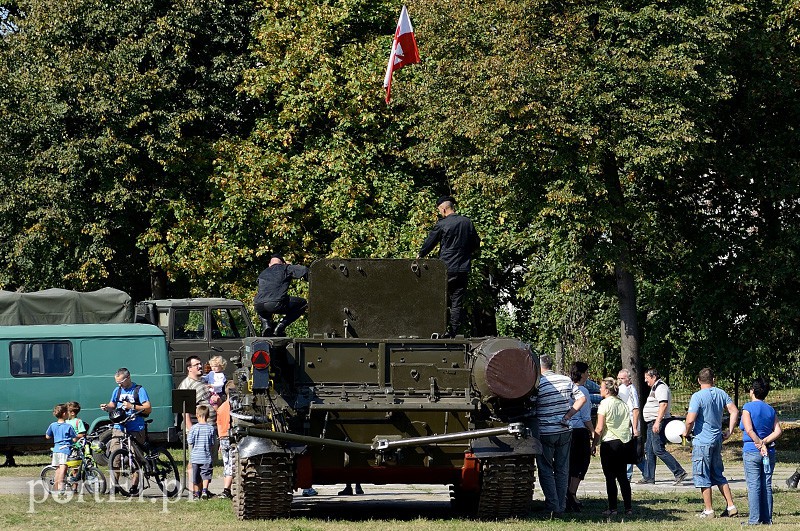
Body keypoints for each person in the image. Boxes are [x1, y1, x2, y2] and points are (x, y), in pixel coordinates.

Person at [417, 195, 480, 337]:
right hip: (463, 268)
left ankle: (439, 331)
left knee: (439, 299)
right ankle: (454, 332)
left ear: (444, 209)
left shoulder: (442, 224)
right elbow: (476, 243)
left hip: (445, 269)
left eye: (439, 210)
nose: (439, 212)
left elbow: (430, 242)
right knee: (457, 302)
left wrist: (420, 255)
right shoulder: (467, 222)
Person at [533, 354, 587, 515]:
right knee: (563, 469)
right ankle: (562, 505)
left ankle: (552, 505)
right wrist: (568, 416)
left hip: (545, 432)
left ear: (539, 366)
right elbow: (581, 398)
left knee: (546, 469)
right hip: (565, 430)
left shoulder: (538, 383)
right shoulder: (565, 380)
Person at [683, 367, 739, 518]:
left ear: (698, 380)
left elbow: (690, 420)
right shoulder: (721, 393)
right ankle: (731, 506)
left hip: (702, 441)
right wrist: (730, 431)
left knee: (702, 475)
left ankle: (708, 510)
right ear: (714, 380)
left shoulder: (697, 396)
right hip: (717, 440)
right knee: (718, 474)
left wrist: (686, 433)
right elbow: (734, 411)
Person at [100, 367, 152, 495]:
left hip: (135, 427)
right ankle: (115, 486)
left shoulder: (139, 390)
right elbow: (113, 404)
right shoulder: (117, 390)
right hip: (119, 427)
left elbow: (148, 408)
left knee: (135, 457)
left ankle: (134, 486)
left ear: (128, 378)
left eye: (121, 381)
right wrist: (107, 407)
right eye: (117, 382)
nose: (119, 384)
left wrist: (132, 406)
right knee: (115, 456)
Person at [740, 377, 783, 525]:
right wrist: (765, 442)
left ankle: (754, 520)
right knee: (766, 484)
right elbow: (778, 431)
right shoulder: (770, 410)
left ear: (752, 391)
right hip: (769, 451)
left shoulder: (747, 408)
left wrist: (759, 442)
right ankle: (767, 518)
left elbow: (749, 429)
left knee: (754, 485)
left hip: (752, 450)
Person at [592, 377, 633, 516]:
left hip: (609, 443)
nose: (599, 389)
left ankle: (613, 508)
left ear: (607, 390)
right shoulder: (622, 404)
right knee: (623, 476)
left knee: (610, 477)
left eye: (601, 387)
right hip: (623, 442)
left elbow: (599, 427)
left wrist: (594, 443)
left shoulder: (604, 404)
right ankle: (628, 508)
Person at [640, 368, 687, 485]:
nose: (646, 381)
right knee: (649, 449)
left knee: (658, 449)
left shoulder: (661, 387)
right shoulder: (655, 387)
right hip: (652, 422)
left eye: (647, 379)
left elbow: (663, 405)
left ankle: (679, 472)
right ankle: (648, 476)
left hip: (657, 422)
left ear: (654, 377)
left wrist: (657, 422)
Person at [254, 254, 309, 337]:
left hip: (258, 306)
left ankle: (266, 325)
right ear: (283, 263)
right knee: (303, 303)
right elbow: (304, 270)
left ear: (269, 264)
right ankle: (281, 327)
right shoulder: (284, 268)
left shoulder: (263, 273)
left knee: (264, 305)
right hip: (275, 303)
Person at [566, 362, 594, 512]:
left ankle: (566, 493)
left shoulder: (568, 387)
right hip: (579, 430)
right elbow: (585, 416)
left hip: (566, 429)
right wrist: (593, 432)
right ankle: (572, 493)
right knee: (581, 463)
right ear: (582, 374)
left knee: (568, 463)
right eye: (587, 372)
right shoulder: (583, 391)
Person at [45, 403, 77, 493]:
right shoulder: (68, 426)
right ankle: (61, 488)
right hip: (65, 449)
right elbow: (74, 439)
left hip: (56, 449)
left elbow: (47, 436)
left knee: (58, 470)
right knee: (63, 469)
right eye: (67, 412)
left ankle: (55, 489)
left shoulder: (52, 425)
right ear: (64, 414)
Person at [616, 368, 641, 481]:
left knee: (629, 451)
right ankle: (647, 472)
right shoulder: (620, 390)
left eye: (622, 378)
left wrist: (635, 428)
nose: (620, 380)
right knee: (630, 452)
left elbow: (635, 409)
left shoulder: (630, 390)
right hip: (623, 425)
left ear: (628, 379)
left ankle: (627, 476)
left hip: (631, 425)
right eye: (618, 378)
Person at [188, 405, 216, 499]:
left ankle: (196, 493)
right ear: (208, 415)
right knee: (206, 475)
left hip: (195, 457)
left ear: (197, 415)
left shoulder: (194, 428)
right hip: (206, 457)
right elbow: (212, 443)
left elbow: (190, 441)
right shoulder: (211, 428)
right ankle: (204, 490)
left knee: (195, 476)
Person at [215, 381, 237, 500]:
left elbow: (218, 425)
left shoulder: (221, 407)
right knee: (232, 464)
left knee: (226, 463)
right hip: (231, 437)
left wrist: (220, 440)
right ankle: (226, 489)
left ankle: (226, 488)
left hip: (223, 437)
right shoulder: (234, 407)